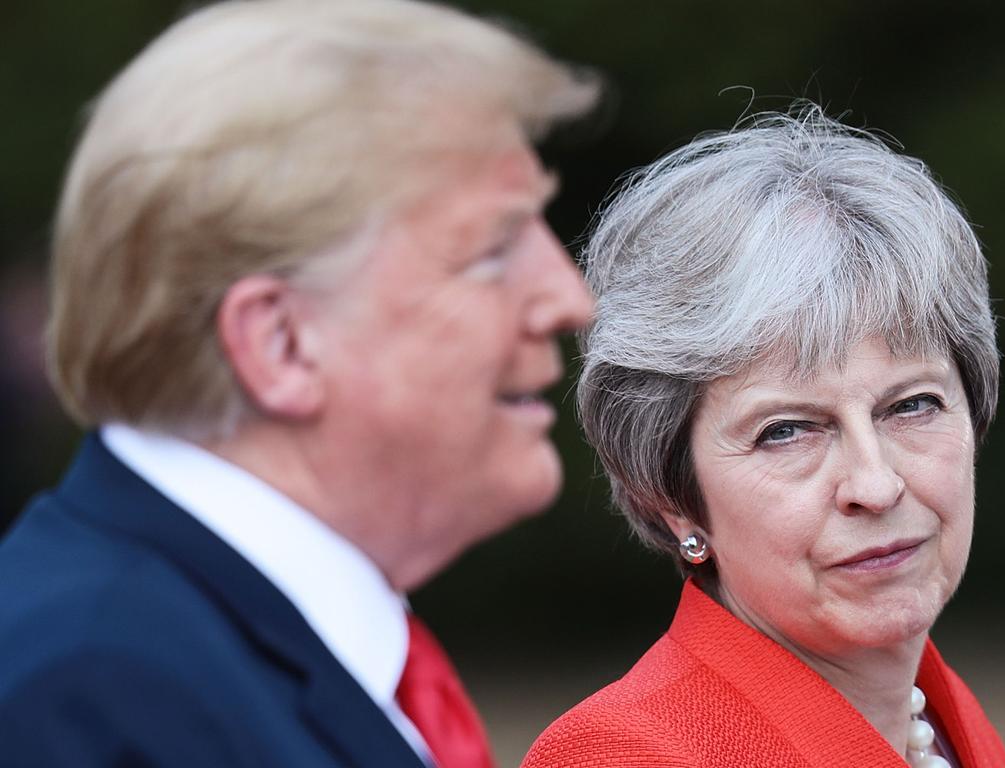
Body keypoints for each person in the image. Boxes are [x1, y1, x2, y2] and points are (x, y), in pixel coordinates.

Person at [0, 1, 598, 766]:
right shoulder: (85, 700)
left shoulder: (193, 644)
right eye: (494, 249)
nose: (570, 299)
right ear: (281, 344)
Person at [522, 107, 1005, 768]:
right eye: (785, 431)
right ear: (673, 497)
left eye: (913, 405)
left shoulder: (943, 716)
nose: (875, 483)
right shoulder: (628, 754)